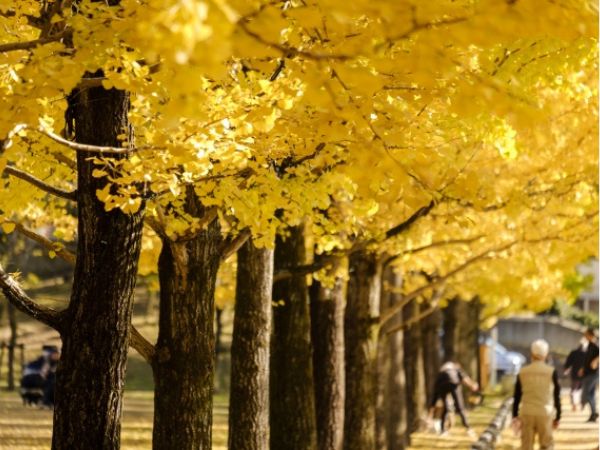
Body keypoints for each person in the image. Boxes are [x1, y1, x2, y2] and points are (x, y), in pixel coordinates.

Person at [512, 339, 561, 450]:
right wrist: (558, 416)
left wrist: (514, 415)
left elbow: (517, 395)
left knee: (526, 446)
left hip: (527, 412)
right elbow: (557, 395)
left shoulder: (522, 371)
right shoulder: (551, 371)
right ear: (546, 354)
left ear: (532, 354)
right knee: (546, 445)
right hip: (545, 412)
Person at [428, 361, 479, 437]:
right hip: (453, 382)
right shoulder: (455, 368)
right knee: (460, 407)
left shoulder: (442, 371)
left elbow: (434, 398)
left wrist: (430, 415)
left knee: (445, 408)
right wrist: (472, 385)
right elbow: (464, 378)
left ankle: (443, 431)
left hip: (441, 383)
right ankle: (468, 428)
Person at [578, 328, 599, 422]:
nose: (585, 336)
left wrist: (596, 361)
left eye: (586, 335)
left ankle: (594, 413)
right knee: (591, 394)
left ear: (591, 335)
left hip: (593, 374)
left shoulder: (596, 344)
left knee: (586, 394)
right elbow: (587, 358)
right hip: (588, 372)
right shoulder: (589, 345)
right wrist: (583, 368)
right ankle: (593, 414)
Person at [564, 338, 588, 411]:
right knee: (582, 390)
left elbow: (568, 362)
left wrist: (566, 368)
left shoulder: (573, 352)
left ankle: (574, 404)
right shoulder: (587, 354)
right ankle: (581, 404)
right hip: (584, 375)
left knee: (574, 390)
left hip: (575, 374)